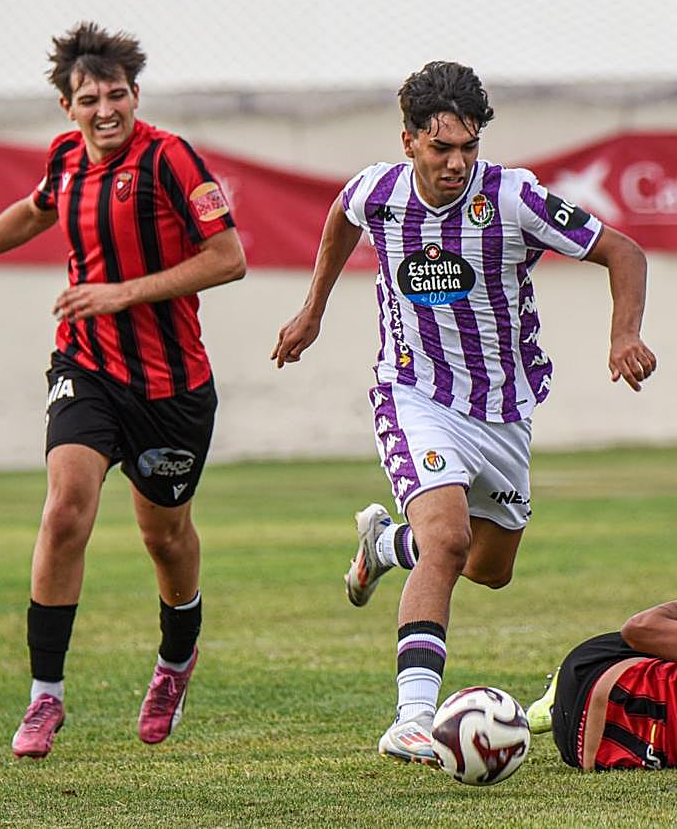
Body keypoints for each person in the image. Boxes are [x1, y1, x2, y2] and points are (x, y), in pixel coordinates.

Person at [271, 60, 656, 766]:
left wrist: (623, 332)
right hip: (413, 394)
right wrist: (311, 309)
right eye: (441, 147)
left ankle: (386, 545)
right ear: (409, 139)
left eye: (467, 147)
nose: (456, 163)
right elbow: (341, 219)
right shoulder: (377, 192)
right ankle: (412, 716)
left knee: (487, 566)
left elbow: (623, 250)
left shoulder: (513, 199)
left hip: (503, 410)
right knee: (447, 539)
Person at [0, 22, 246, 759]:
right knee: (64, 511)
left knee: (165, 536)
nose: (105, 109)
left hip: (171, 389)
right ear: (67, 107)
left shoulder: (170, 159)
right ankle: (44, 698)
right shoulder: (65, 160)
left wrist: (123, 293)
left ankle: (175, 660)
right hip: (86, 369)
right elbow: (35, 210)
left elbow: (229, 258)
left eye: (116, 94)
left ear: (135, 95)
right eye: (89, 98)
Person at [526, 601, 677, 771]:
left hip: (590, 675)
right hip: (595, 750)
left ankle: (553, 705)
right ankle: (553, 708)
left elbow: (639, 628)